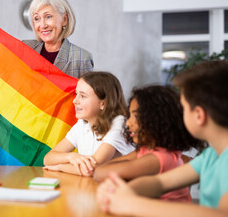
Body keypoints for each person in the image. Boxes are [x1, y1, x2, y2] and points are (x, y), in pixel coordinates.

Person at [96, 60, 228, 216]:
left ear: (199, 115)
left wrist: (133, 204)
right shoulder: (211, 155)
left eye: (184, 108)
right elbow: (159, 182)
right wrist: (123, 192)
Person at [94, 85, 206, 202]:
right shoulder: (147, 149)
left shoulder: (158, 159)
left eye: (135, 116)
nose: (128, 123)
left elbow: (99, 172)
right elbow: (104, 168)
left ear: (158, 120)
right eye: (129, 116)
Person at [43, 71, 134, 176]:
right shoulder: (82, 124)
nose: (75, 101)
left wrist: (59, 167)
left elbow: (90, 169)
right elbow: (48, 159)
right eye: (77, 94)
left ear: (103, 103)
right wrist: (71, 157)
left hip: (120, 188)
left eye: (83, 96)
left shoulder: (119, 123)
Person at [22, 0, 93, 78]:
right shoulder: (25, 48)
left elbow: (86, 91)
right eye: (37, 19)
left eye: (48, 17)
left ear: (64, 19)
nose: (43, 25)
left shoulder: (82, 59)